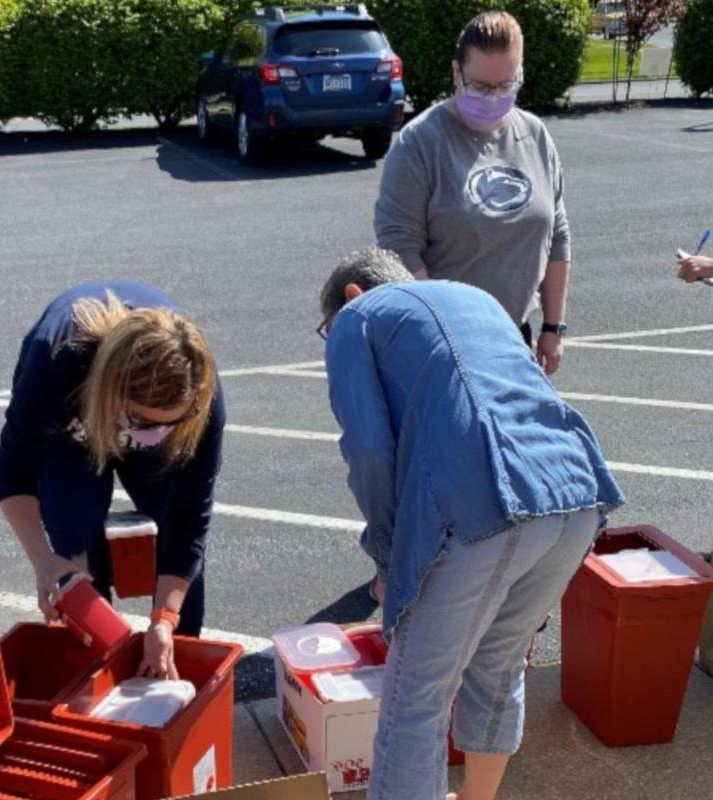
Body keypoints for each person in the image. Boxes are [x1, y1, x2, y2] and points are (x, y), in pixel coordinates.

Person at [318, 249, 624, 800]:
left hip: (487, 505)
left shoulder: (357, 320)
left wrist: (390, 557)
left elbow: (366, 448)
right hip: (575, 493)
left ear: (350, 296)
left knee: (416, 699)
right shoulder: (475, 299)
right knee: (499, 666)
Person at [0, 282, 224, 679]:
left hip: (141, 422)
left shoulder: (201, 402)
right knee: (76, 551)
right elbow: (14, 473)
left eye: (173, 421)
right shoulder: (57, 361)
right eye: (143, 421)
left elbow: (189, 524)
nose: (156, 432)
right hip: (71, 440)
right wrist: (43, 562)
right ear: (110, 391)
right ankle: (97, 673)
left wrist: (165, 619)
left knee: (177, 554)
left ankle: (174, 679)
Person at [374, 11, 571, 375]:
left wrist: (553, 326)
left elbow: (556, 234)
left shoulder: (535, 135)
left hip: (514, 338)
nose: (493, 97)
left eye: (506, 86)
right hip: (442, 344)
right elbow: (398, 248)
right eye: (480, 86)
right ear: (456, 73)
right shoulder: (420, 144)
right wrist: (453, 329)